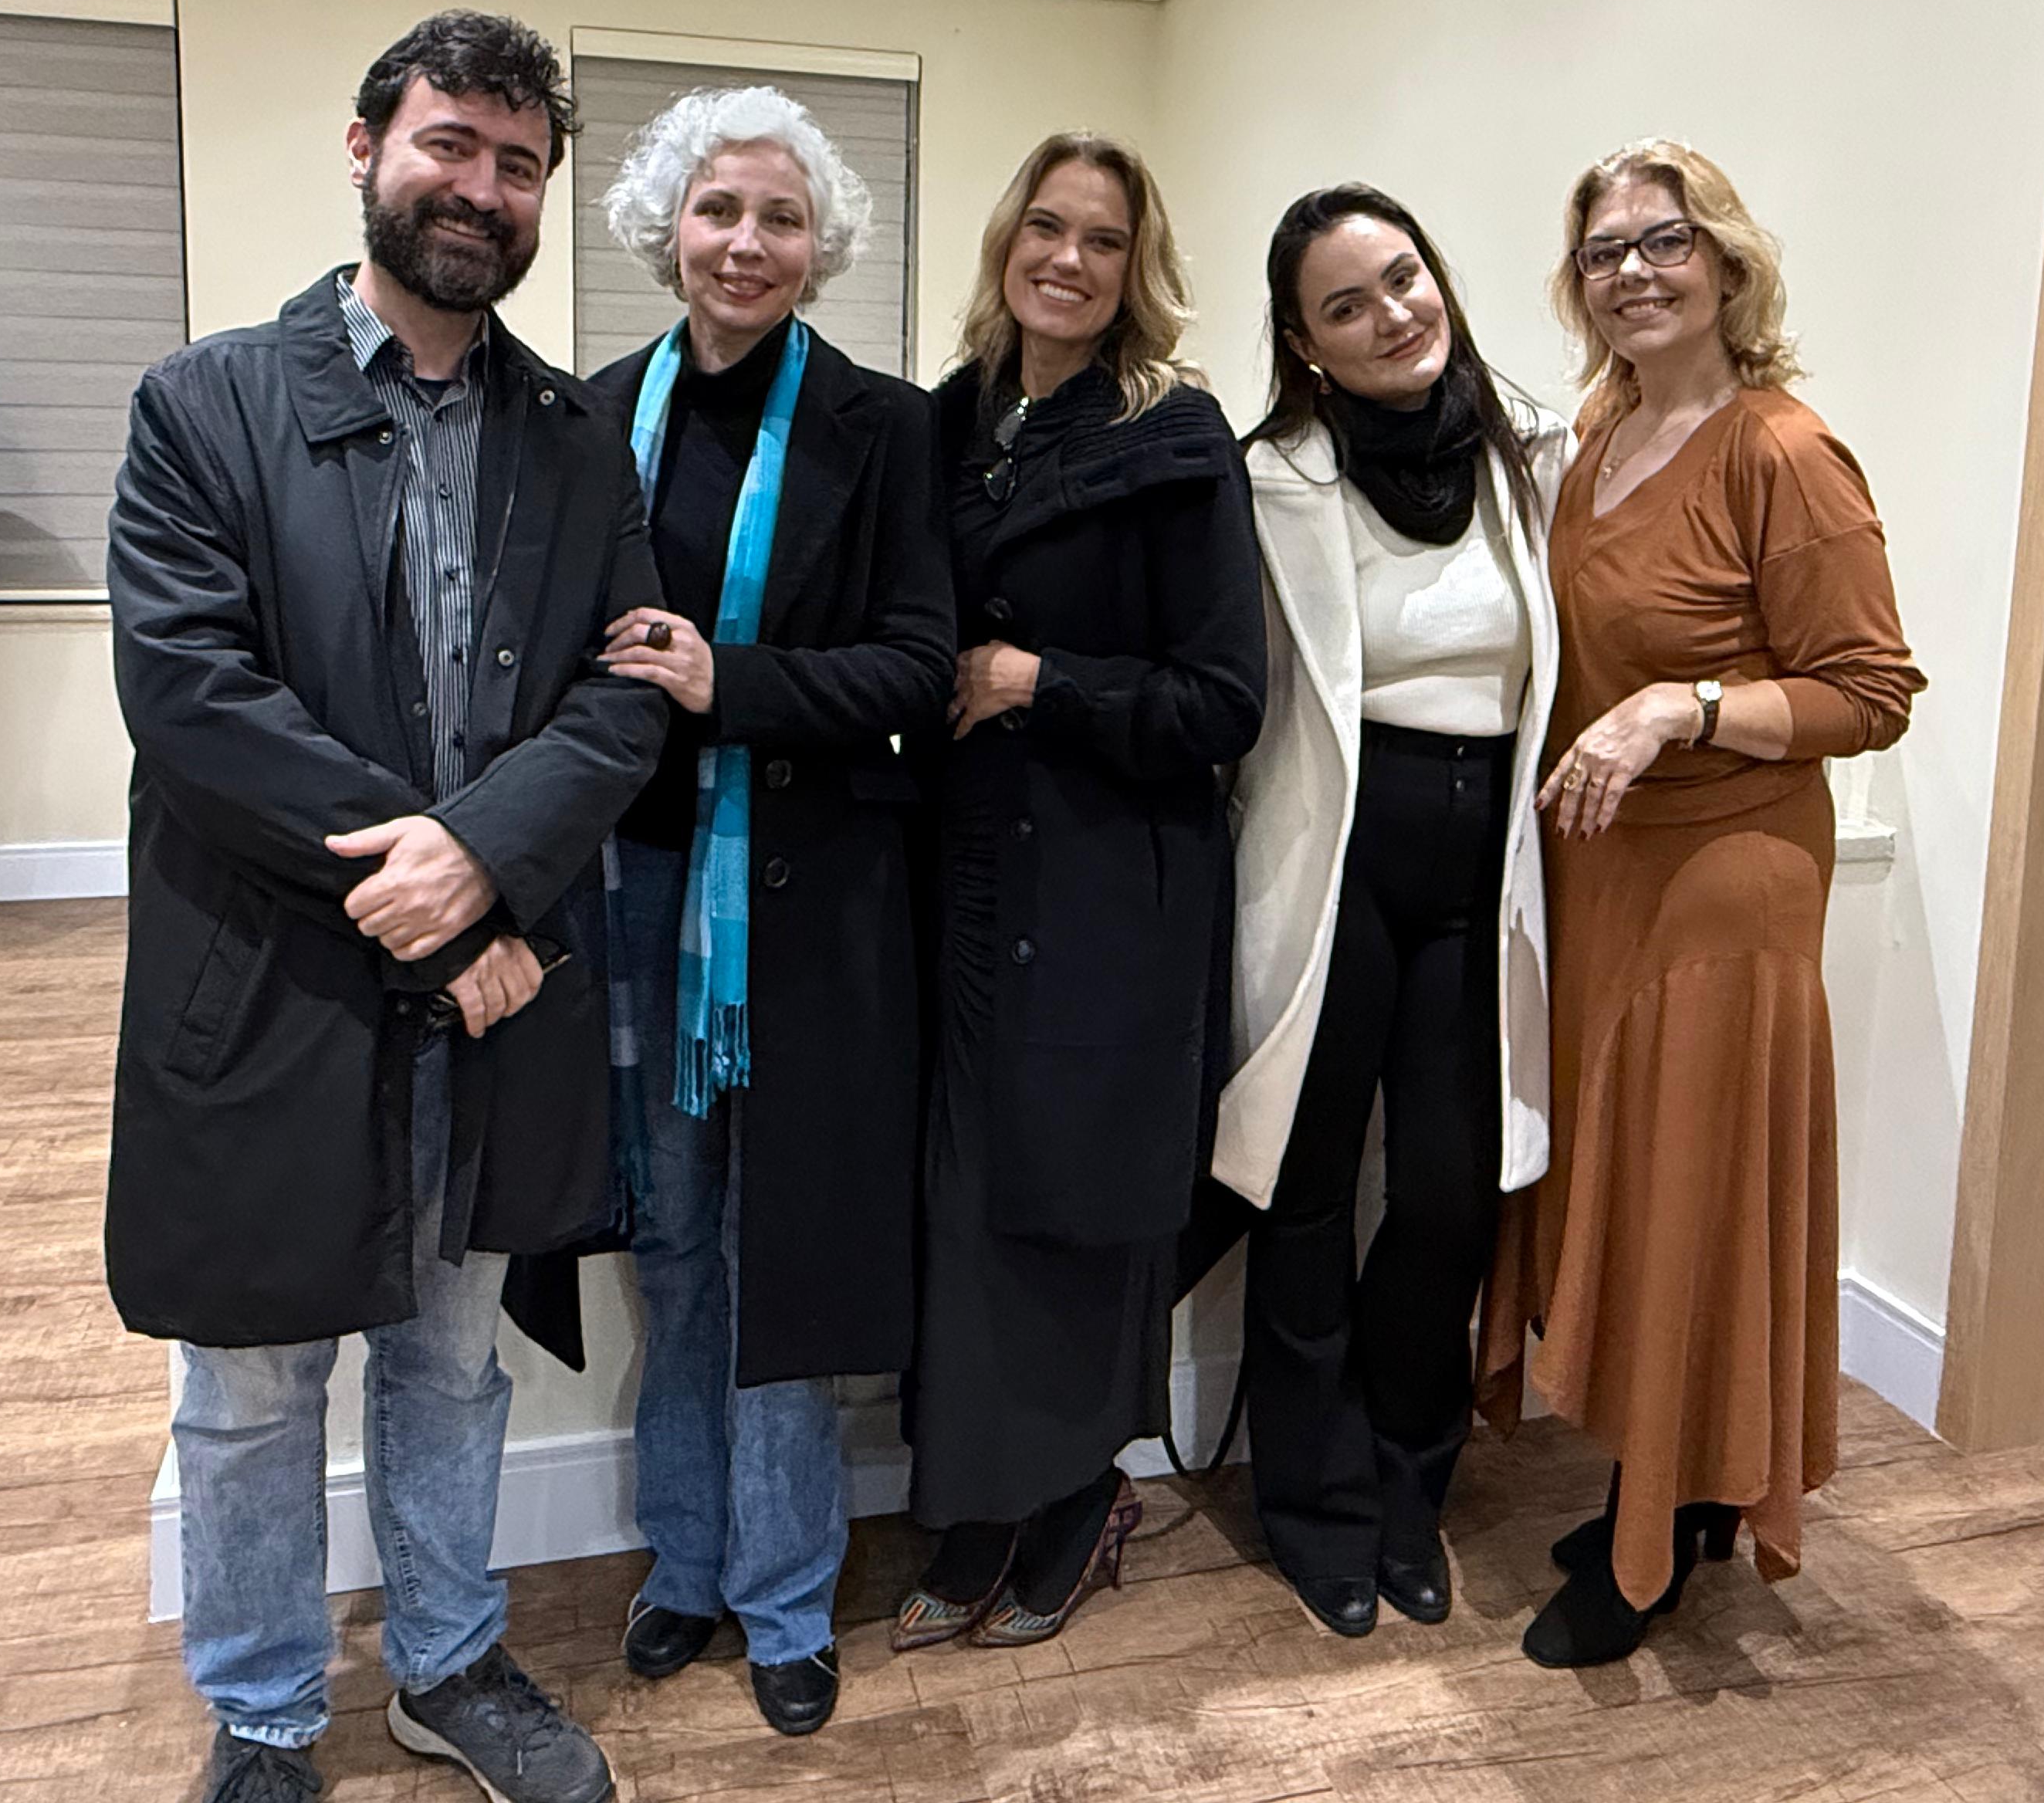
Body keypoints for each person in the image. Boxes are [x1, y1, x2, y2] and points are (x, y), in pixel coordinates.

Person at [107, 10, 662, 1803]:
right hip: (274, 977)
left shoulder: (576, 439)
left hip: (488, 1004)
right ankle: (268, 1712)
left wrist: (482, 864)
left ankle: (444, 1663)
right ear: (367, 151)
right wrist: (447, 895)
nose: (481, 189)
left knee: (451, 1352)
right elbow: (195, 700)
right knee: (253, 1386)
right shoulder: (206, 405)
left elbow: (627, 693)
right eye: (450, 146)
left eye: (518, 165)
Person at [1489, 138, 1922, 1669]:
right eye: (1602, 249)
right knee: (1633, 1184)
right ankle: (1690, 1481)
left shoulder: (1782, 451)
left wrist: (1684, 704)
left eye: (1664, 240)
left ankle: (1657, 1534)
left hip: (1724, 880)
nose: (1634, 271)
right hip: (1604, 870)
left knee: (1686, 1194)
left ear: (1729, 262)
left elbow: (1870, 691)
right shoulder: (1599, 430)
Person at [584, 86, 952, 1737]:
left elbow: (919, 670)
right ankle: (685, 1560)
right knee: (671, 1246)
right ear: (668, 226)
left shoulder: (887, 427)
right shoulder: (594, 415)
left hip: (809, 909)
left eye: (780, 218)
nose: (746, 242)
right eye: (720, 209)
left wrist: (728, 681)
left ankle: (790, 1592)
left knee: (780, 1252)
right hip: (634, 890)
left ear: (822, 247)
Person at [895, 135, 1266, 1650]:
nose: (1066, 258)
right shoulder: (945, 421)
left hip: (1115, 881)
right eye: (1045, 227)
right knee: (970, 1202)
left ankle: (1078, 1492)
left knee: (1081, 1200)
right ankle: (983, 1498)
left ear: (1134, 270)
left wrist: (1033, 678)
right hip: (966, 875)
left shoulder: (1173, 434)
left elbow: (1221, 699)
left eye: (1102, 240)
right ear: (1006, 242)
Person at [1217, 184, 1568, 1639]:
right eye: (1344, 306)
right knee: (1302, 1191)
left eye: (1402, 278)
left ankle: (1407, 1482)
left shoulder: (1529, 452)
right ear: (1305, 343)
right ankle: (1313, 1503)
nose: (1389, 317)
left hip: (1480, 866)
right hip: (1334, 858)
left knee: (1446, 1192)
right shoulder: (1268, 479)